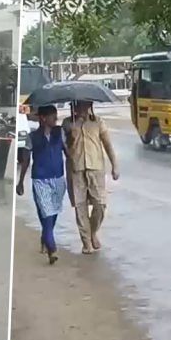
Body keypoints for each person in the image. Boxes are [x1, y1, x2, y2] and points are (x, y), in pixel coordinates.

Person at [62, 101, 119, 254]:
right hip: (76, 169)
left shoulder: (98, 122)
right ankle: (86, 242)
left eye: (84, 105)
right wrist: (72, 138)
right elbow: (64, 149)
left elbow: (108, 145)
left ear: (89, 105)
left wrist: (115, 165)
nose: (81, 108)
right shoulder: (67, 124)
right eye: (78, 105)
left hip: (96, 168)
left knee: (100, 205)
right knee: (80, 207)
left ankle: (93, 232)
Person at [16, 105, 67, 265]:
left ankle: (46, 237)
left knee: (53, 213)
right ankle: (52, 249)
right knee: (46, 213)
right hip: (40, 179)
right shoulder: (33, 137)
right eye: (53, 116)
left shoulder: (60, 133)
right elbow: (25, 160)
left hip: (58, 179)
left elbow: (68, 152)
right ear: (43, 118)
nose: (56, 119)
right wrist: (20, 182)